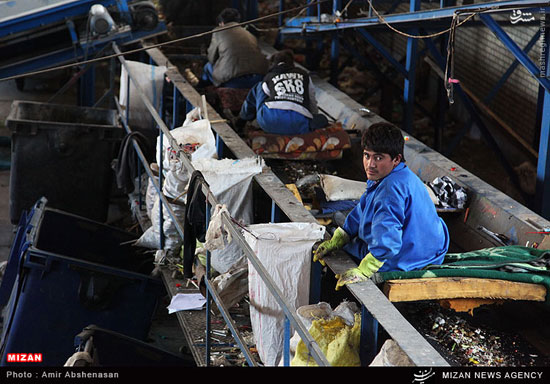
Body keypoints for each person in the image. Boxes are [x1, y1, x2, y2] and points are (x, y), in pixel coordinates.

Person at [313, 122, 450, 290]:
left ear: (396, 159)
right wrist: (342, 235)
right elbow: (363, 207)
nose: (370, 164)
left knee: (354, 250)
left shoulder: (390, 190)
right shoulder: (398, 173)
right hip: (429, 245)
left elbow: (388, 244)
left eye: (378, 158)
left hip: (410, 256)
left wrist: (364, 270)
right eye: (367, 155)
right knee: (347, 238)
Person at [236, 49, 329, 135]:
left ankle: (243, 119)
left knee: (259, 87)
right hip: (298, 124)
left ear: (272, 65)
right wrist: (313, 117)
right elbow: (312, 101)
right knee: (322, 119)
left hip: (268, 122)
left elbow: (258, 98)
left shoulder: (269, 77)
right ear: (292, 64)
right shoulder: (304, 75)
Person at [200, 8, 268, 89]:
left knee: (208, 67)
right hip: (258, 79)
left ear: (221, 23)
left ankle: (203, 89)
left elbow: (211, 58)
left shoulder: (218, 31)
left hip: (234, 82)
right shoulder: (248, 33)